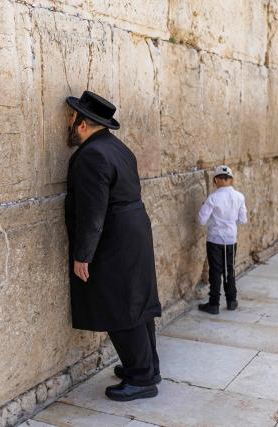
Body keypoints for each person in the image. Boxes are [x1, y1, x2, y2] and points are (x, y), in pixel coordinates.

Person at [64, 91, 162, 402]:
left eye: (71, 117)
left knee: (119, 306)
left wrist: (83, 255)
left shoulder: (92, 155)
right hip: (133, 233)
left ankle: (141, 378)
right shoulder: (117, 148)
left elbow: (93, 211)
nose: (68, 121)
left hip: (114, 239)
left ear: (83, 124)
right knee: (136, 302)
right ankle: (148, 367)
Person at [197, 165, 248, 315]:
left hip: (215, 239)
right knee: (229, 269)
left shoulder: (213, 198)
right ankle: (231, 300)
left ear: (216, 180)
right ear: (231, 180)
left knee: (215, 271)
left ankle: (214, 304)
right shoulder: (239, 197)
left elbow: (201, 220)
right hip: (231, 239)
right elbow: (243, 219)